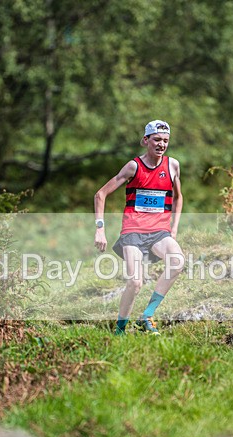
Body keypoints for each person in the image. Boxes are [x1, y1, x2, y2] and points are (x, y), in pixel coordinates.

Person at [94, 120, 185, 335]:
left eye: (165, 141)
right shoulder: (134, 166)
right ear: (146, 140)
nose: (161, 145)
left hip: (159, 232)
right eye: (156, 140)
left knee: (177, 261)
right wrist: (100, 228)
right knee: (135, 282)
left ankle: (147, 315)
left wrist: (174, 227)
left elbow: (179, 198)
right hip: (133, 233)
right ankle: (120, 329)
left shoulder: (173, 165)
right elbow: (100, 194)